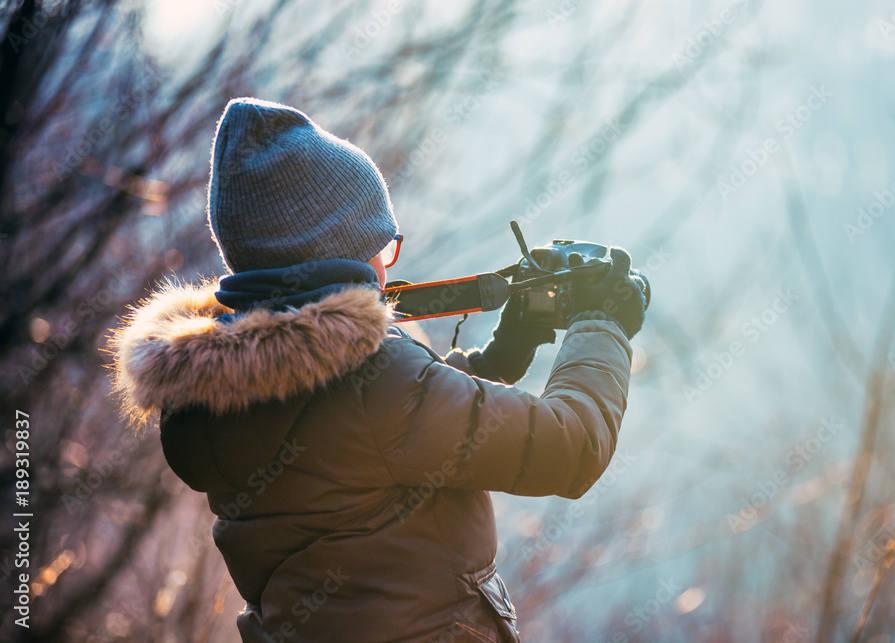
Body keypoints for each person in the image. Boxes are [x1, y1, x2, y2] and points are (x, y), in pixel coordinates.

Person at [112, 98, 646, 642]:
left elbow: (364, 441)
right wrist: (602, 325)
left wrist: (500, 357)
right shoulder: (376, 382)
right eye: (385, 247)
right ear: (340, 253)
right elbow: (572, 448)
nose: (388, 265)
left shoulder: (207, 393)